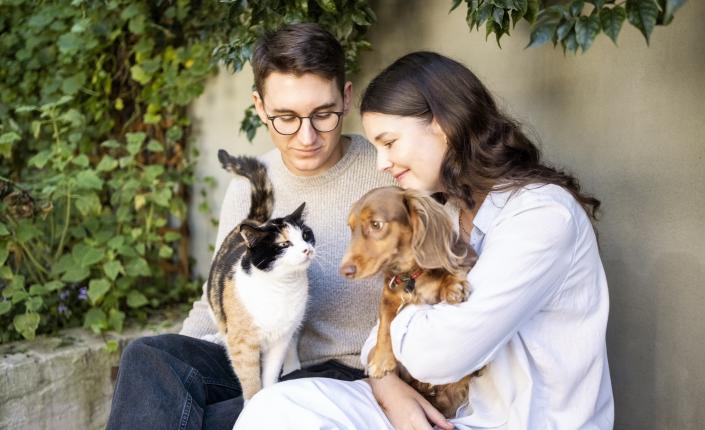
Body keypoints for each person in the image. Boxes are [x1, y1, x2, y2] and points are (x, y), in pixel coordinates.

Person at [233, 51, 614, 429]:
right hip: (430, 407)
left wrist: (395, 318)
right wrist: (386, 385)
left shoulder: (541, 216)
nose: (381, 162)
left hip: (512, 422)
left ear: (443, 126)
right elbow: (375, 347)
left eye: (390, 142)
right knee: (273, 409)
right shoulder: (445, 210)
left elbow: (440, 354)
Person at [106, 23, 392, 430]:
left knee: (214, 420)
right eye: (286, 117)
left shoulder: (388, 171)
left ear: (346, 98)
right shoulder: (250, 187)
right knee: (149, 358)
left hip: (341, 377)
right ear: (259, 107)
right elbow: (218, 299)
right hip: (255, 359)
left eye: (323, 114)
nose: (306, 136)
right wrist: (180, 370)